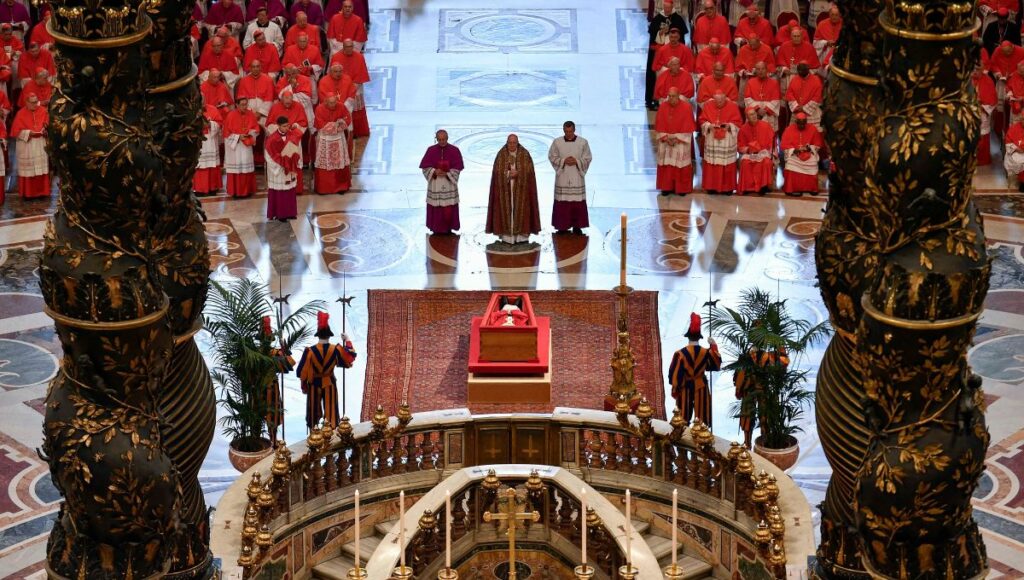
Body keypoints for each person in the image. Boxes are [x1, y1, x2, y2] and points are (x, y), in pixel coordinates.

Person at [296, 312, 357, 430]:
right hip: (330, 383)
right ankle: (332, 436)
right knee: (332, 413)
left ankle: (313, 436)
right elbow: (350, 357)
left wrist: (304, 386)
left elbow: (301, 372)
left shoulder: (310, 351)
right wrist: (347, 340)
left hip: (314, 384)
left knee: (313, 413)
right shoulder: (336, 349)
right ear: (329, 336)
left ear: (318, 335)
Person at [486, 134, 541, 245]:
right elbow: (496, 172)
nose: (511, 145)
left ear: (517, 142)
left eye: (514, 143)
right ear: (507, 142)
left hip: (522, 190)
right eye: (510, 143)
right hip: (505, 189)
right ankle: (507, 237)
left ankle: (521, 236)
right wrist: (507, 174)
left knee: (522, 210)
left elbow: (530, 172)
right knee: (507, 209)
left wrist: (519, 173)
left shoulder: (525, 154)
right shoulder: (501, 154)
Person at [668, 313, 721, 428]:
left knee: (682, 419)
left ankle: (682, 442)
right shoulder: (706, 353)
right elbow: (716, 365)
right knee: (702, 421)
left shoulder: (680, 354)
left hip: (685, 387)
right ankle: (701, 442)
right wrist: (713, 345)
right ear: (699, 337)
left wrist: (675, 389)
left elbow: (675, 375)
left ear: (688, 336)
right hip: (701, 386)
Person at [733, 345, 790, 449]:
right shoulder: (746, 356)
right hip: (750, 390)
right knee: (748, 417)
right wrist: (738, 388)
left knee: (764, 418)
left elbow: (783, 364)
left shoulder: (768, 355)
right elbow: (739, 373)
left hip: (762, 390)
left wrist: (781, 352)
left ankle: (764, 443)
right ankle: (748, 443)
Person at [548, 121, 593, 234]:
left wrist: (577, 161)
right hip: (563, 176)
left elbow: (588, 157)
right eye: (566, 131)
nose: (568, 134)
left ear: (574, 130)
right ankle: (562, 226)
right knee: (562, 201)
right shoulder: (557, 142)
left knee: (577, 201)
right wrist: (563, 161)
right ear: (563, 130)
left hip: (576, 175)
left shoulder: (583, 142)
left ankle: (577, 226)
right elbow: (552, 156)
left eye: (570, 131)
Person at [419, 129, 464, 235]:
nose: (442, 142)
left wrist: (448, 173)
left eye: (443, 139)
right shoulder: (431, 150)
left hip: (449, 185)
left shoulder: (455, 150)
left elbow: (458, 168)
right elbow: (425, 167)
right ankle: (436, 227)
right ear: (436, 139)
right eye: (439, 139)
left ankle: (449, 227)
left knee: (448, 206)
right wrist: (434, 171)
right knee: (437, 207)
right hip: (435, 184)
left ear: (447, 138)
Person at [654, 87, 696, 196]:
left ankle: (681, 189)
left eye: (673, 96)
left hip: (680, 141)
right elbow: (659, 125)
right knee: (666, 164)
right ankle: (666, 187)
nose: (670, 98)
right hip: (666, 140)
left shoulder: (686, 107)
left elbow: (689, 128)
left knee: (680, 165)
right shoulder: (663, 106)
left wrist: (676, 139)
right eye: (669, 96)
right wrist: (666, 138)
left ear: (678, 96)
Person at [698, 91, 742, 195]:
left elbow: (738, 122)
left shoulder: (732, 106)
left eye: (721, 101)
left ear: (725, 98)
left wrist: (729, 126)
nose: (719, 103)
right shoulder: (708, 105)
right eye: (717, 101)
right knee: (712, 164)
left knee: (727, 164)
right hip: (712, 139)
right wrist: (709, 125)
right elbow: (702, 120)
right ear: (714, 99)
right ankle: (711, 187)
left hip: (727, 140)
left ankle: (727, 188)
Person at [646, 0, 687, 109]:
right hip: (661, 56)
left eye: (668, 8)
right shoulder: (657, 19)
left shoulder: (677, 19)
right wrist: (660, 33)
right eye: (665, 8)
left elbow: (681, 38)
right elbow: (653, 36)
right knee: (659, 76)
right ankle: (656, 99)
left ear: (672, 6)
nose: (667, 10)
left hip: (675, 54)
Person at [261, 315, 295, 446]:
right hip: (271, 388)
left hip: (260, 388)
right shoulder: (275, 352)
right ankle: (273, 441)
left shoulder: (255, 352)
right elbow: (291, 362)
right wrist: (284, 347)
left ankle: (269, 441)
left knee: (265, 416)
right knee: (272, 416)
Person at [312, 93, 352, 194]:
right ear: (325, 102)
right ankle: (324, 188)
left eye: (334, 102)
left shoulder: (341, 106)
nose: (333, 105)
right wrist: (336, 125)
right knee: (325, 163)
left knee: (339, 161)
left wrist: (341, 123)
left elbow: (347, 118)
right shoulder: (319, 109)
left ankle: (340, 187)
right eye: (331, 103)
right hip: (325, 139)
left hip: (339, 138)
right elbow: (321, 125)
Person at [330, 39, 371, 137]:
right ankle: (343, 131)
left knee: (356, 109)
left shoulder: (359, 57)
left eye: (351, 47)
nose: (349, 49)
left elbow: (361, 74)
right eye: (347, 47)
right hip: (340, 88)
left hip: (356, 87)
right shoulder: (336, 57)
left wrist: (352, 87)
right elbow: (333, 74)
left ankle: (357, 131)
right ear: (343, 47)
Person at [265, 117, 303, 221]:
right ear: (278, 126)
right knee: (280, 192)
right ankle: (280, 214)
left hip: (290, 168)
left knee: (290, 190)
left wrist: (294, 160)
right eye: (284, 126)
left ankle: (291, 212)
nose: (287, 128)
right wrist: (280, 165)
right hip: (279, 169)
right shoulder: (272, 139)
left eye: (288, 125)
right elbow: (268, 155)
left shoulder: (292, 135)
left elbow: (297, 150)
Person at [11, 94, 49, 199]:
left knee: (41, 169)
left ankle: (42, 192)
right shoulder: (20, 114)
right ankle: (28, 194)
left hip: (40, 143)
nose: (35, 104)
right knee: (29, 170)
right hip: (27, 145)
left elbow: (47, 123)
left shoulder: (43, 110)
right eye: (32, 102)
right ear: (26, 102)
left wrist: (46, 129)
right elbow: (16, 132)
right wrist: (28, 133)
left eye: (36, 101)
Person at [780, 112, 825, 196]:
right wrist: (794, 150)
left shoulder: (813, 129)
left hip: (808, 153)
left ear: (806, 122)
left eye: (803, 124)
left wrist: (809, 148)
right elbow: (783, 145)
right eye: (800, 124)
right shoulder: (789, 129)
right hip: (794, 154)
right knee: (790, 163)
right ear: (796, 122)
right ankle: (791, 188)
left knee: (813, 162)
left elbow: (818, 144)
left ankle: (812, 188)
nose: (802, 126)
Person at [224, 97, 260, 198]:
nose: (245, 107)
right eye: (242, 105)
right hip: (235, 147)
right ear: (236, 105)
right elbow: (226, 134)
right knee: (237, 170)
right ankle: (235, 192)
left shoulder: (250, 114)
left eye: (246, 104)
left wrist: (250, 133)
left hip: (246, 147)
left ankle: (247, 191)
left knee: (246, 169)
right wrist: (238, 136)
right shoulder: (230, 115)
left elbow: (256, 129)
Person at [737, 107, 776, 195]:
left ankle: (764, 186)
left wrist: (767, 151)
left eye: (754, 113)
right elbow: (740, 146)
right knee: (745, 163)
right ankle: (747, 187)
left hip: (763, 152)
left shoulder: (766, 126)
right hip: (749, 153)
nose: (754, 116)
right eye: (751, 115)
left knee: (766, 162)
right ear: (747, 117)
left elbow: (772, 142)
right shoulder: (743, 129)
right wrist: (748, 149)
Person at [776, 27, 820, 93]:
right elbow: (779, 64)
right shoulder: (784, 46)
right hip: (789, 74)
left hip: (804, 75)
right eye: (794, 36)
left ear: (802, 36)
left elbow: (815, 67)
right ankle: (788, 100)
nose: (796, 38)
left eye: (798, 36)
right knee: (784, 79)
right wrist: (784, 69)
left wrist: (804, 72)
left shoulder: (809, 47)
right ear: (791, 37)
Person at [194, 105, 223, 197]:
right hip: (198, 141)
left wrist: (210, 124)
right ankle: (199, 189)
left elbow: (220, 123)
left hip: (210, 141)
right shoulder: (192, 109)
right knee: (199, 165)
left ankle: (212, 188)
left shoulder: (213, 109)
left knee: (212, 165)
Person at [785, 62, 824, 127]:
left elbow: (817, 97)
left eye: (803, 70)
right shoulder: (794, 79)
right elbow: (789, 94)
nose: (800, 72)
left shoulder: (816, 80)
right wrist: (796, 106)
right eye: (799, 70)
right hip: (797, 112)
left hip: (811, 114)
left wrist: (804, 108)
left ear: (808, 69)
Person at [974, 68, 998, 166]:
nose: (974, 72)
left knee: (983, 135)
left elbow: (992, 98)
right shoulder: (968, 79)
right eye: (973, 70)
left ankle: (983, 159)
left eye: (977, 70)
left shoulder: (988, 80)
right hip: (969, 111)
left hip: (983, 112)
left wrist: (981, 106)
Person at [1005, 117, 1024, 191]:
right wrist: (1017, 148)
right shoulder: (1014, 128)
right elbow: (1008, 143)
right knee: (1018, 161)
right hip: (1017, 152)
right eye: (1023, 119)